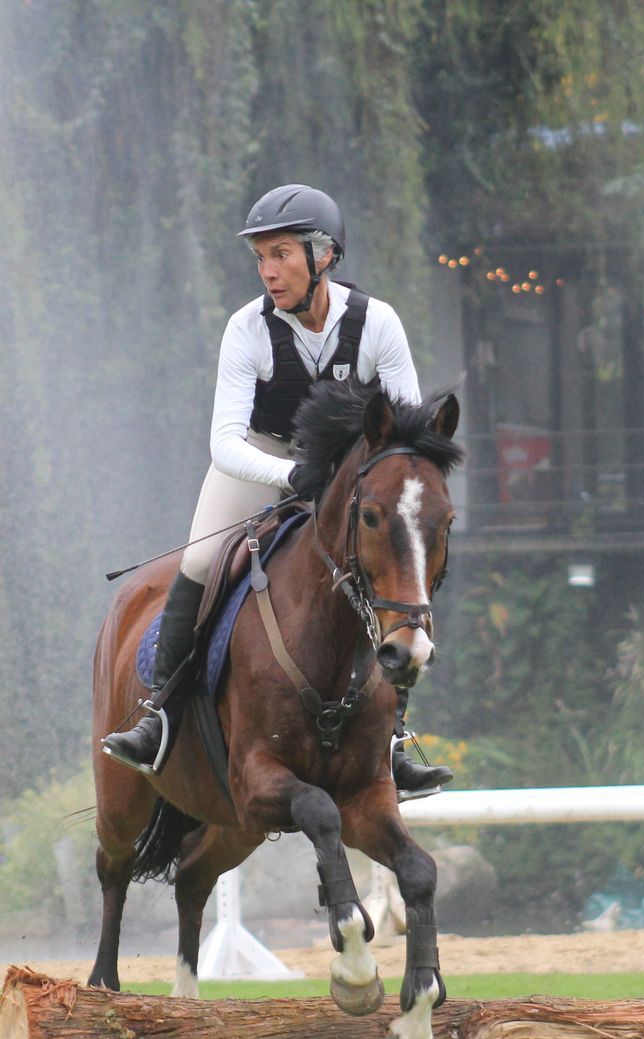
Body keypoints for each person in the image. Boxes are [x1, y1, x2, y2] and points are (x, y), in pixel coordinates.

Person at [101, 183, 453, 800]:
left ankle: (393, 737)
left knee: (387, 570)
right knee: (202, 559)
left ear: (323, 256)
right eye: (261, 257)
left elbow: (407, 433)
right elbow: (224, 442)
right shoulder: (246, 329)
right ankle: (159, 713)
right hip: (260, 458)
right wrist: (290, 477)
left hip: (349, 473)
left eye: (281, 254)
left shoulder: (378, 323)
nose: (268, 271)